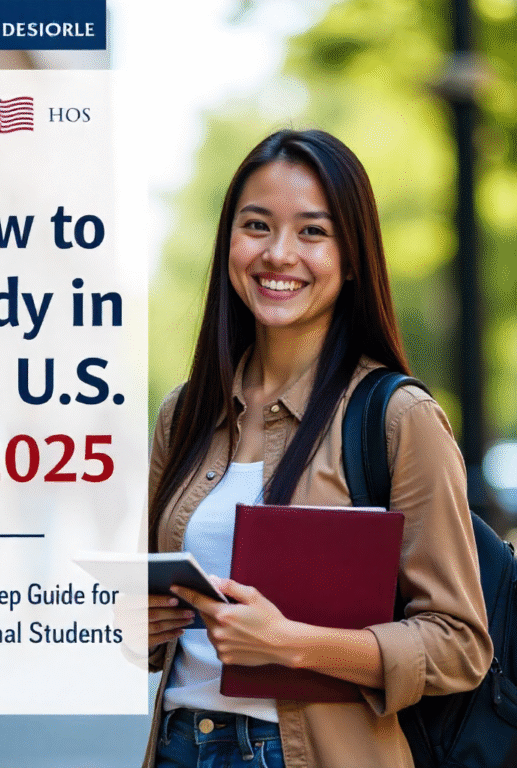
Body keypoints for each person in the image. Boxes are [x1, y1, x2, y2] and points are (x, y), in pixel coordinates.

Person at [145, 130, 492, 768]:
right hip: (176, 745)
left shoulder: (396, 418)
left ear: (352, 256)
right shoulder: (183, 414)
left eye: (313, 232)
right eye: (257, 226)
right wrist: (136, 629)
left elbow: (459, 645)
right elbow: (156, 621)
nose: (279, 254)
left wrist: (291, 644)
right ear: (229, 242)